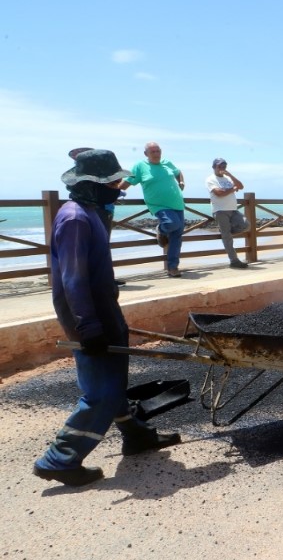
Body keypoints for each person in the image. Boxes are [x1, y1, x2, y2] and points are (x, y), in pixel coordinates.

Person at [33, 149, 181, 487]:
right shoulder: (74, 218)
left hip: (102, 309)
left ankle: (136, 435)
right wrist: (89, 326)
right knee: (100, 390)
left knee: (114, 376)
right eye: (113, 183)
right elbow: (72, 279)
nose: (120, 188)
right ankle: (59, 458)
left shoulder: (90, 213)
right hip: (89, 316)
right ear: (90, 185)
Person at [120, 142, 186, 277]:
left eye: (158, 151)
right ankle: (160, 230)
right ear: (146, 154)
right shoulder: (140, 166)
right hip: (158, 205)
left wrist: (181, 182)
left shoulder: (167, 163)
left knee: (176, 237)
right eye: (153, 152)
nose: (156, 154)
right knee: (171, 224)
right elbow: (126, 183)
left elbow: (178, 173)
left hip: (177, 203)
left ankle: (173, 267)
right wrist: (111, 193)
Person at [70, 147, 127, 285]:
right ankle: (98, 278)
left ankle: (106, 277)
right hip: (97, 208)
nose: (116, 186)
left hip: (105, 208)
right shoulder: (75, 216)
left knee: (103, 244)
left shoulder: (97, 170)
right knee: (96, 245)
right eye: (112, 183)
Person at [205, 158, 249, 269]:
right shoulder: (210, 179)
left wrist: (229, 174)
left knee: (246, 225)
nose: (222, 168)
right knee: (227, 237)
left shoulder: (228, 178)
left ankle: (226, 232)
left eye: (224, 166)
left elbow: (241, 186)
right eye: (220, 166)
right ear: (214, 167)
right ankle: (234, 260)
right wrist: (234, 189)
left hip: (233, 209)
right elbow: (219, 193)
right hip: (220, 211)